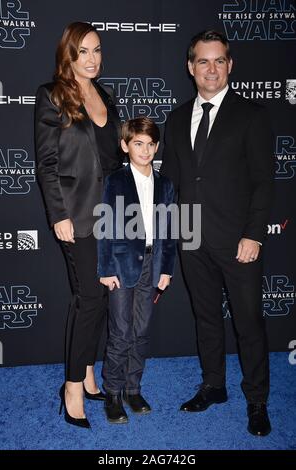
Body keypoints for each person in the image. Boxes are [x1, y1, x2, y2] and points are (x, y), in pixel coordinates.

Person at [160, 30, 274, 436]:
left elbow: (264, 181)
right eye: (203, 61)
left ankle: (257, 399)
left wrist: (254, 235)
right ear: (190, 67)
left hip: (238, 239)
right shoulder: (175, 118)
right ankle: (214, 386)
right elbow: (170, 182)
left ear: (230, 66)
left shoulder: (252, 115)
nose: (211, 69)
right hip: (191, 236)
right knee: (206, 317)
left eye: (219, 61)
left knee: (248, 323)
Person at [35, 22, 123, 428]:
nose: (92, 59)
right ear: (68, 55)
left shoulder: (106, 95)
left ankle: (87, 372)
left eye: (97, 50)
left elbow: (113, 161)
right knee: (88, 297)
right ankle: (71, 386)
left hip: (111, 213)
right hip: (77, 214)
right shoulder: (52, 96)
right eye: (83, 51)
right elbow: (47, 163)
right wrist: (59, 216)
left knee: (102, 297)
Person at [97, 117, 176, 423]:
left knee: (141, 332)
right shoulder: (114, 181)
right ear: (125, 146)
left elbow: (169, 231)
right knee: (120, 332)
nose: (145, 150)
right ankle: (113, 393)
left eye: (150, 144)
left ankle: (133, 388)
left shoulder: (165, 185)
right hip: (120, 266)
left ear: (157, 147)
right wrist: (105, 268)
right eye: (138, 144)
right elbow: (105, 227)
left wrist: (166, 269)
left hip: (152, 266)